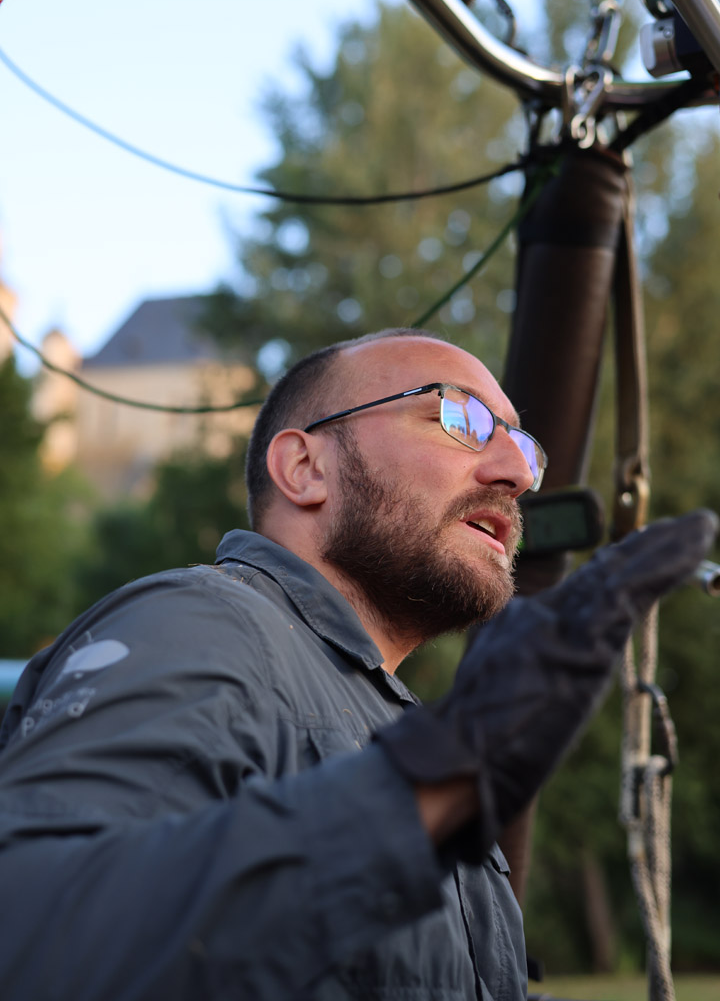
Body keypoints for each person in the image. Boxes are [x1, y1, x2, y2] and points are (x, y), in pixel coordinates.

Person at [0, 327, 714, 1001]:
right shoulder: (200, 624)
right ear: (305, 468)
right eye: (460, 418)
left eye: (524, 448)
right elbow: (30, 931)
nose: (517, 474)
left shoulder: (383, 714)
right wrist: (440, 777)